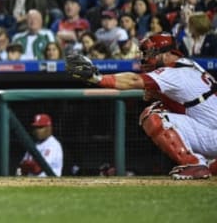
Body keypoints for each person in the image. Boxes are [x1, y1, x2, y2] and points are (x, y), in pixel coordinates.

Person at [65, 33, 217, 179]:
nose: (146, 58)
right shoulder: (190, 65)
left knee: (153, 114)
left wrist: (97, 78)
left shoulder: (173, 72)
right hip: (211, 129)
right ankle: (208, 165)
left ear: (166, 53)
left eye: (151, 53)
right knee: (161, 106)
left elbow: (132, 81)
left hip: (212, 135)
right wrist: (161, 96)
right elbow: (190, 105)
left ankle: (194, 163)